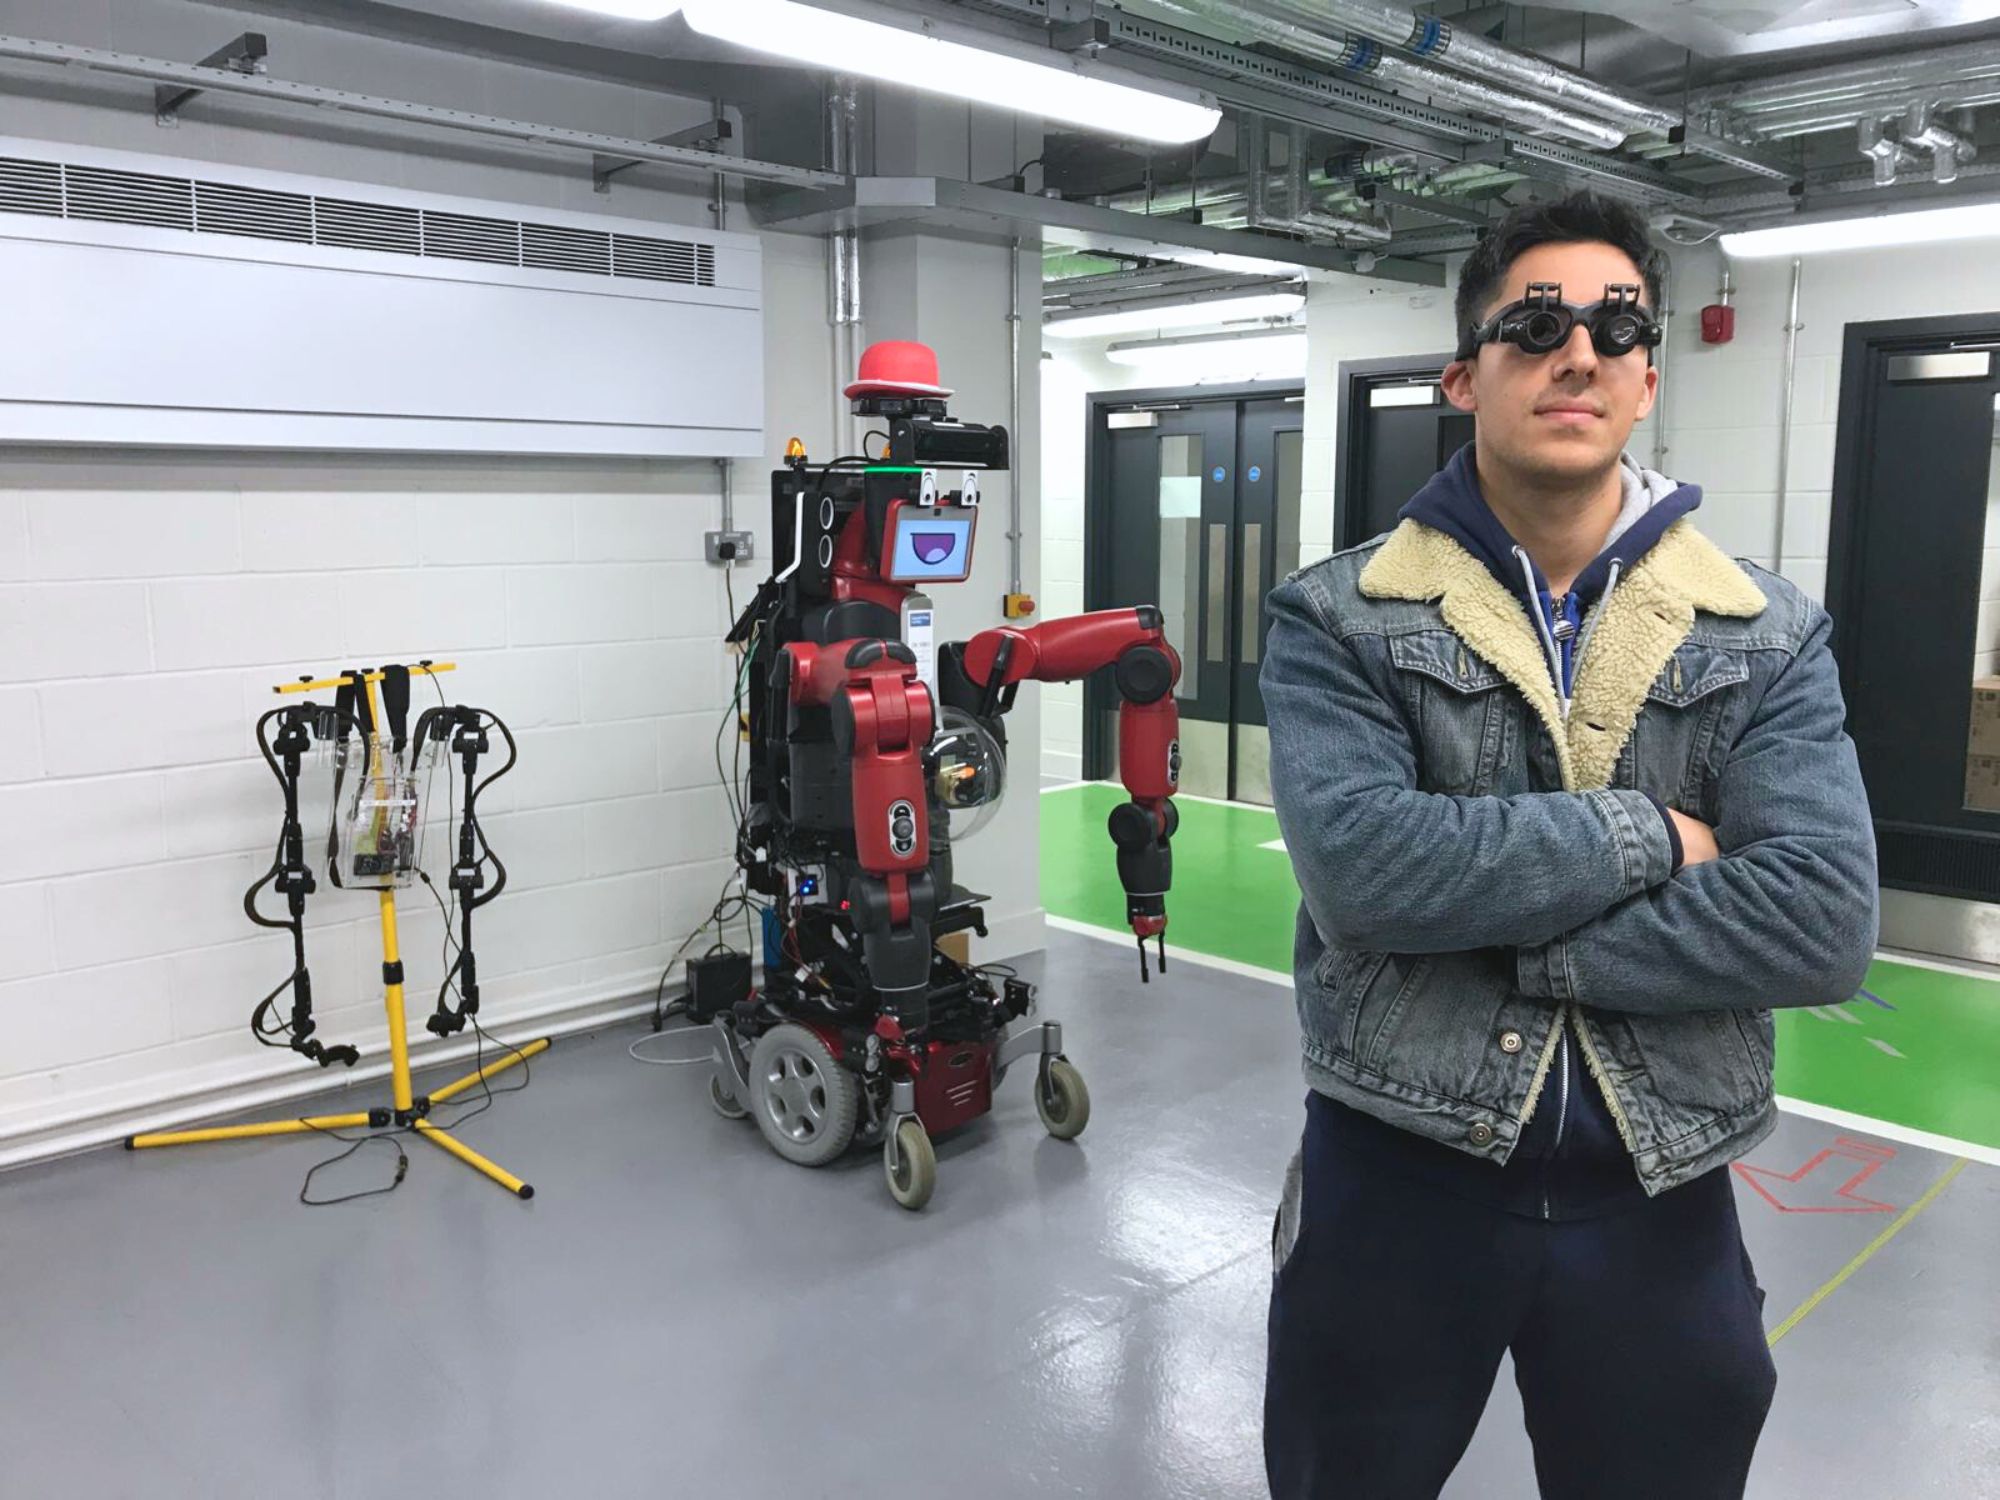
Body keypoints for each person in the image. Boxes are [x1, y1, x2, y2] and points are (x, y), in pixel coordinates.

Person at [1258, 191, 1879, 1500]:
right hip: (1395, 1175)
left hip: (1659, 1189)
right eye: (1534, 323)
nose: (1576, 351)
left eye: (1614, 325)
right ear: (1464, 373)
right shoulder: (1339, 620)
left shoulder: (1766, 633)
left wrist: (1489, 935)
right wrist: (1654, 830)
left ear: (1649, 373)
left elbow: (1820, 922)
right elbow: (1368, 877)